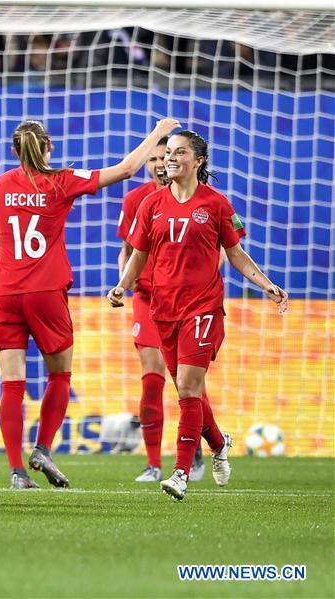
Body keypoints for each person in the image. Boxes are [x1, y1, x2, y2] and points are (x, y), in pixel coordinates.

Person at [0, 117, 180, 490]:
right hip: (44, 293)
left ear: (15, 151)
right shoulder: (61, 181)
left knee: (12, 383)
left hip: (4, 294)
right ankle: (41, 448)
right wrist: (156, 133)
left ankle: (16, 473)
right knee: (59, 375)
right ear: (49, 148)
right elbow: (125, 169)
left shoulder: (1, 185)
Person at [109, 130, 288, 501]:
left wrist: (266, 284)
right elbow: (138, 253)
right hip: (163, 309)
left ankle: (180, 473)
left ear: (198, 161)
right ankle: (219, 443)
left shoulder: (217, 204)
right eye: (168, 152)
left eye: (179, 152)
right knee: (188, 391)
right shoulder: (151, 204)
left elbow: (236, 253)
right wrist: (123, 285)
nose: (170, 158)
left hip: (203, 307)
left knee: (189, 389)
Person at [117, 137, 206, 483]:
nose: (158, 163)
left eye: (165, 155)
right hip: (147, 297)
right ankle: (153, 463)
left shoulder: (203, 201)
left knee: (188, 380)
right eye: (154, 157)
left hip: (189, 300)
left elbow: (215, 251)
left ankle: (198, 447)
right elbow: (129, 250)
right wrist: (122, 284)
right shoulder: (136, 200)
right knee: (152, 376)